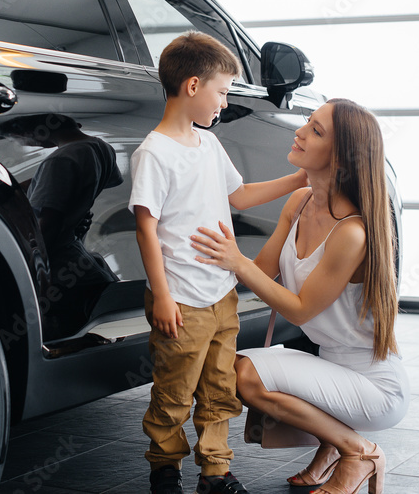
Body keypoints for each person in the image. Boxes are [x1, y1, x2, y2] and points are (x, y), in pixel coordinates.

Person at [190, 98, 409, 494]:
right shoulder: (300, 201)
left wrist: (236, 261)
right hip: (331, 368)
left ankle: (358, 451)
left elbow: (300, 308)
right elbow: (262, 270)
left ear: (340, 158)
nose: (300, 131)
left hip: (375, 389)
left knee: (245, 373)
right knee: (227, 362)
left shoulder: (351, 233)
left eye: (316, 130)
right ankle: (332, 446)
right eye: (307, 122)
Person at [128, 31, 308, 494]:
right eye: (222, 92)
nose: (224, 103)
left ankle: (215, 473)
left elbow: (240, 194)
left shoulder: (207, 145)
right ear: (192, 86)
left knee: (219, 390)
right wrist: (162, 296)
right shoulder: (155, 153)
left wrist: (298, 179)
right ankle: (165, 468)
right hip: (181, 301)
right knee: (174, 393)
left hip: (221, 294)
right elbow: (146, 228)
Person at [0, 113, 123, 338]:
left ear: (32, 134)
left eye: (19, 141)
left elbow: (48, 224)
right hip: (82, 261)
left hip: (60, 267)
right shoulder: (100, 148)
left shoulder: (60, 160)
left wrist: (35, 275)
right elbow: (52, 184)